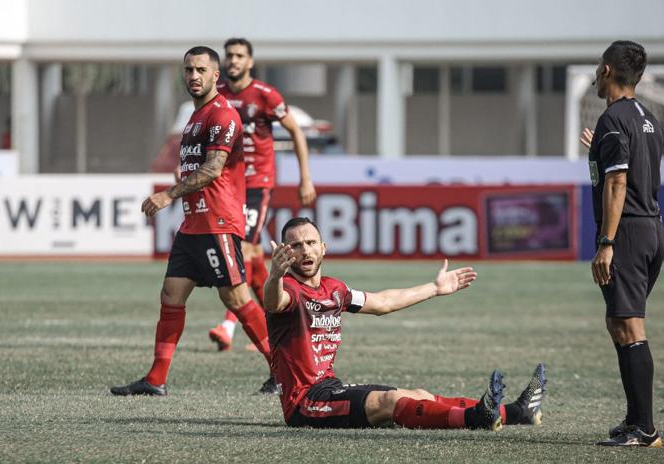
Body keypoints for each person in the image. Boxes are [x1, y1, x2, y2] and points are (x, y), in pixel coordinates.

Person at [263, 217, 547, 430]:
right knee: (389, 403)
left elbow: (383, 303)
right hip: (305, 404)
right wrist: (274, 276)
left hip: (329, 387)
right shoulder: (289, 289)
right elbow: (274, 303)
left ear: (323, 248)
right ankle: (475, 418)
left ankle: (517, 412)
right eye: (296, 245)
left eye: (311, 243)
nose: (305, 250)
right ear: (286, 253)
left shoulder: (335, 289)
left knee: (416, 395)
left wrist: (435, 288)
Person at [110, 46, 258, 396]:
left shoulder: (222, 114)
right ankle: (155, 380)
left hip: (218, 222)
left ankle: (286, 372)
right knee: (171, 296)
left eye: (201, 70)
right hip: (194, 225)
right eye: (189, 70)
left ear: (215, 75)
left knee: (237, 299)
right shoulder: (194, 118)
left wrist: (167, 194)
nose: (193, 76)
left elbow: (213, 169)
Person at [207, 39, 317, 384]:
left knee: (243, 250)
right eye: (229, 56)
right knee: (247, 256)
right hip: (229, 185)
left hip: (258, 184)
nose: (233, 61)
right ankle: (280, 312)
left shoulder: (266, 94)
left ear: (250, 61)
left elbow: (296, 132)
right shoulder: (218, 93)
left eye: (239, 56)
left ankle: (229, 325)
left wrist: (305, 177)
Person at [580, 40, 664, 448]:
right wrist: (597, 147)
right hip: (651, 228)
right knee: (619, 322)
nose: (597, 72)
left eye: (599, 65)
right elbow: (626, 166)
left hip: (627, 232)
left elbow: (617, 182)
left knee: (630, 324)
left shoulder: (613, 118)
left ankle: (645, 430)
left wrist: (606, 242)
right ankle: (634, 420)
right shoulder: (647, 119)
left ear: (608, 71)